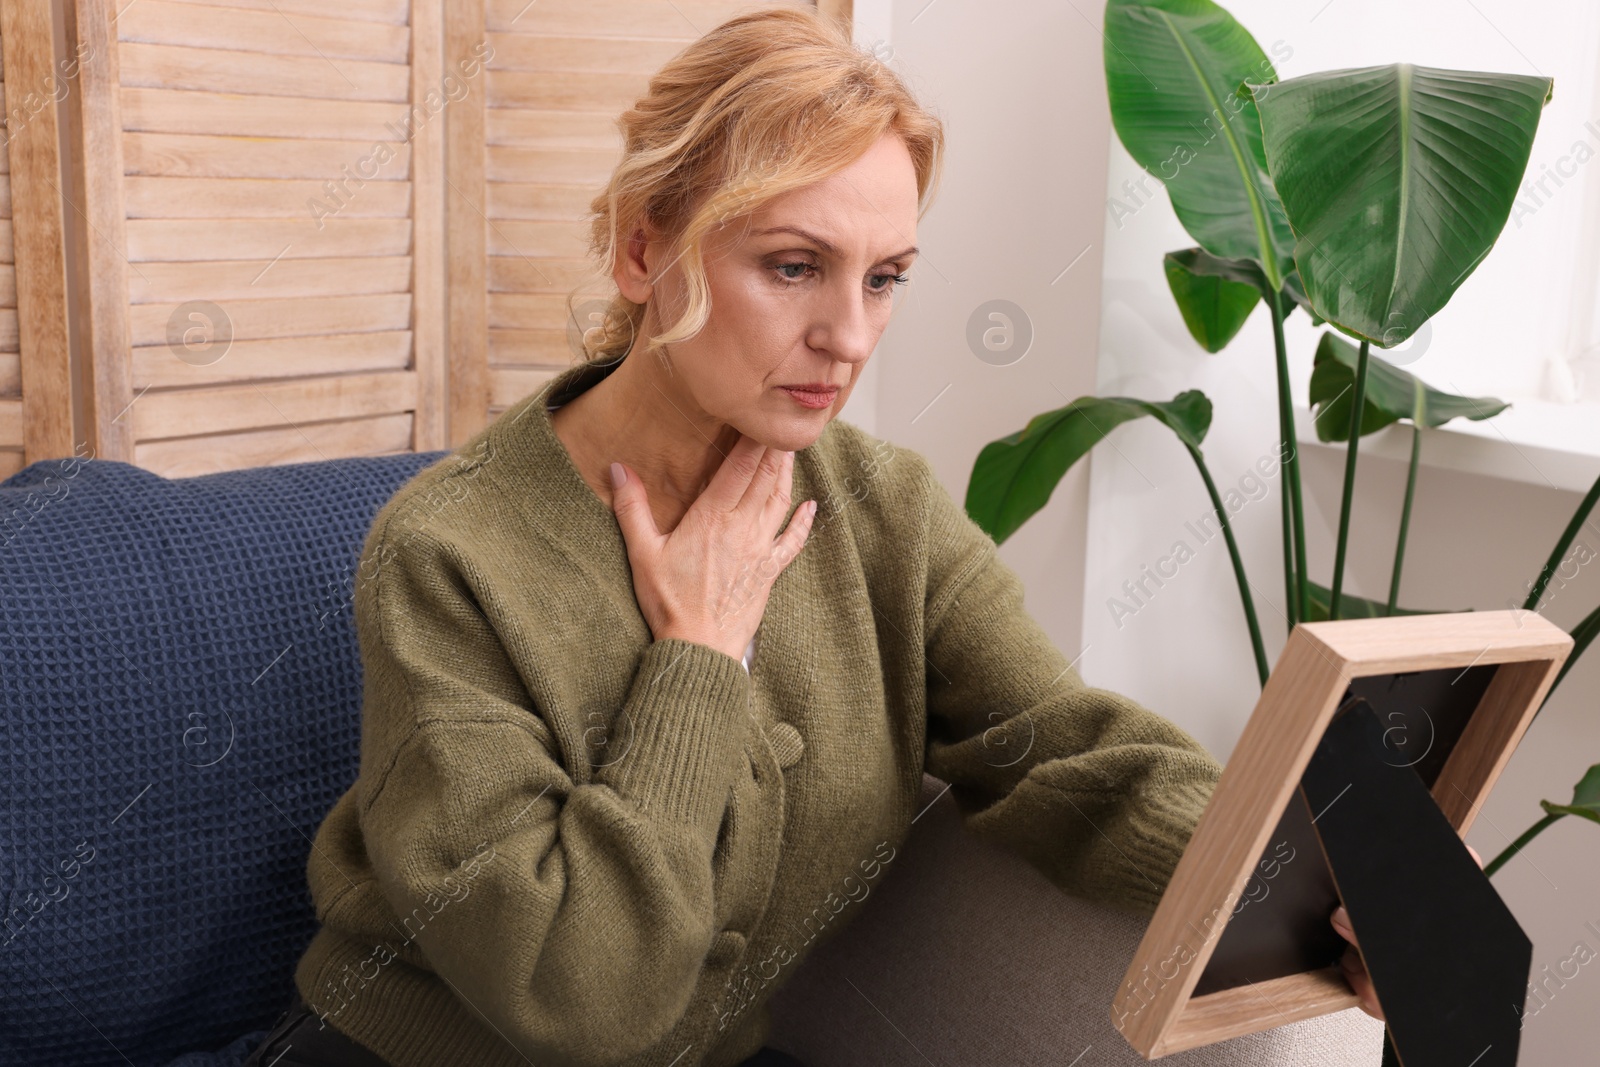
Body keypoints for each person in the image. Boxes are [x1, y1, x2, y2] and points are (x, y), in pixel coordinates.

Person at [243, 8, 1384, 1066]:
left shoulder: (883, 507)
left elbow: (1065, 748)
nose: (848, 336)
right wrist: (700, 654)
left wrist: (1299, 870)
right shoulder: (449, 552)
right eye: (793, 266)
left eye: (884, 277)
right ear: (644, 253)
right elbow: (575, 990)